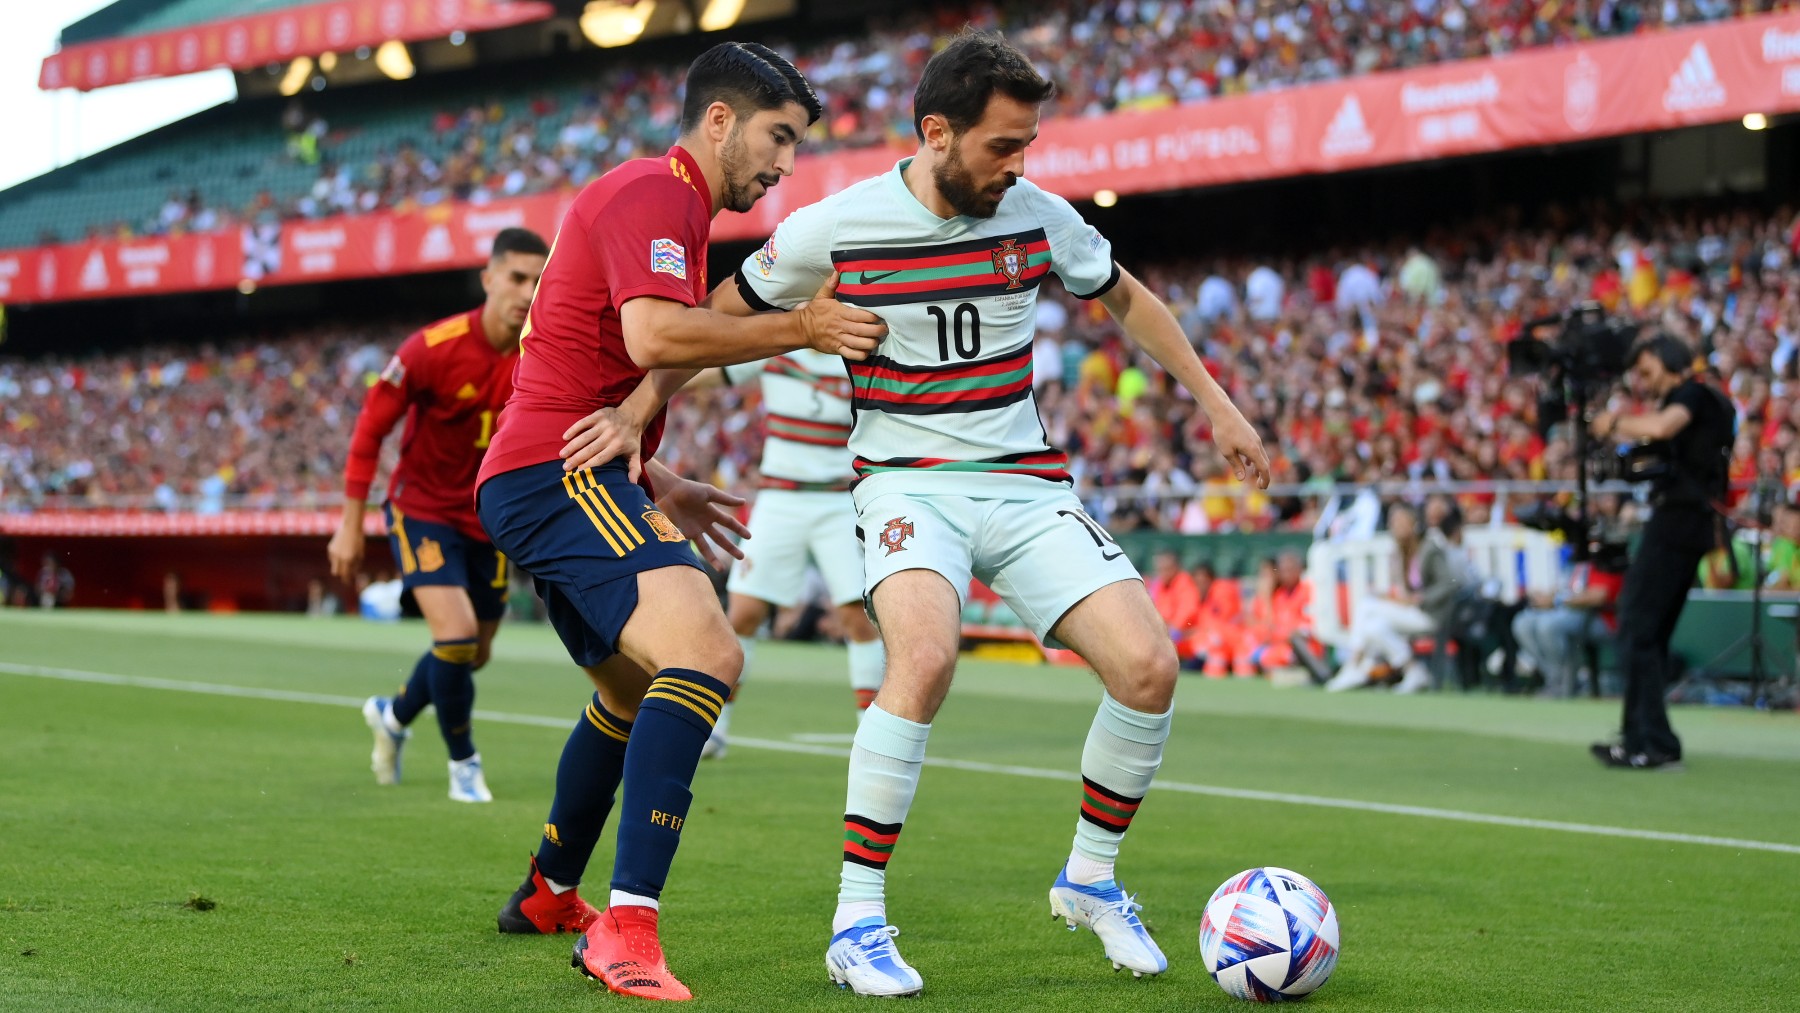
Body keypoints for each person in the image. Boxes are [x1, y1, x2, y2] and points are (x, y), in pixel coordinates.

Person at [598, 31, 1269, 996]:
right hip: (905, 480)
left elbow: (1125, 297)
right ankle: (857, 920)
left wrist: (1217, 400)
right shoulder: (839, 226)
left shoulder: (1038, 216)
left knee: (1150, 667)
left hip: (1028, 482)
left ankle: (1088, 879)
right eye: (1002, 146)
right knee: (924, 657)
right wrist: (634, 409)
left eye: (1028, 144)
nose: (1019, 165)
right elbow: (719, 319)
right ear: (936, 132)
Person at [473, 43, 881, 1001]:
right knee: (707, 654)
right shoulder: (655, 196)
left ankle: (549, 891)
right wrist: (803, 325)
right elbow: (654, 337)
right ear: (720, 121)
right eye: (778, 138)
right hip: (548, 474)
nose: (783, 165)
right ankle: (627, 926)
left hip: (565, 470)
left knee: (626, 689)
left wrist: (658, 476)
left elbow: (598, 366)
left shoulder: (673, 210)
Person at [328, 227, 548, 804]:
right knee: (454, 637)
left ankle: (393, 715)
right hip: (421, 509)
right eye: (517, 278)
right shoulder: (431, 347)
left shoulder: (545, 352)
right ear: (489, 279)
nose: (527, 292)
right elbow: (371, 428)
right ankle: (464, 765)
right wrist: (350, 521)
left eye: (538, 279)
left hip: (491, 519)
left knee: (473, 652)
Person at [679, 352, 886, 759]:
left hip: (840, 500)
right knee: (743, 614)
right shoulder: (776, 345)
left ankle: (873, 736)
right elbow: (703, 372)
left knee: (858, 618)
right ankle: (716, 728)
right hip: (779, 498)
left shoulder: (862, 354)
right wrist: (640, 375)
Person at [1587, 334, 1734, 770]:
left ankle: (1652, 742)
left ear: (1671, 362)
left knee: (1637, 624)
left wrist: (1611, 423)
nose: (1645, 384)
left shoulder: (1694, 393)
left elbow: (1662, 426)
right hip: (1686, 521)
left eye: (1648, 372)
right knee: (1643, 632)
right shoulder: (1704, 399)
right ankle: (1639, 737)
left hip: (1680, 521)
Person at [1325, 502, 1462, 694]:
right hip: (1413, 611)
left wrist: (1420, 598)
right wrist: (1388, 596)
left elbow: (1449, 583)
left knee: (1366, 607)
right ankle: (1413, 670)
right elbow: (1403, 592)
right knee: (1373, 627)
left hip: (1431, 614)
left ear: (1414, 523)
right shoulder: (1399, 551)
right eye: (1392, 521)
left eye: (1399, 521)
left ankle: (1353, 665)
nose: (1394, 525)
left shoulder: (1429, 548)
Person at [1511, 549, 1625, 698]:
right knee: (1522, 623)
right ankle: (1554, 678)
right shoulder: (1576, 561)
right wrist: (1545, 597)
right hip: (1569, 612)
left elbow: (1598, 597)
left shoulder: (1606, 560)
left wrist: (1556, 600)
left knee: (1548, 625)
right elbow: (1568, 589)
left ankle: (1565, 683)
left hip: (1602, 618)